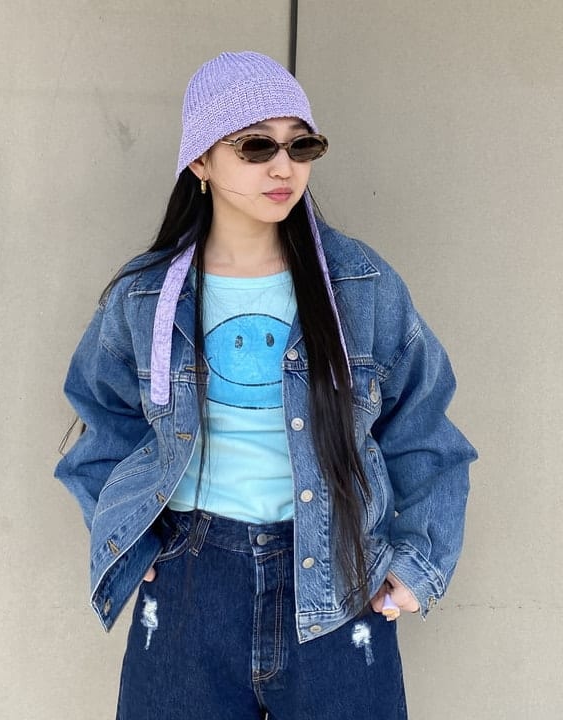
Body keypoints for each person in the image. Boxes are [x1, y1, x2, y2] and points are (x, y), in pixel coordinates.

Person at [55, 51, 477, 720]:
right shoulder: (145, 295)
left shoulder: (360, 284)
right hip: (191, 581)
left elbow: (424, 428)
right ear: (200, 161)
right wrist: (129, 540)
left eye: (300, 146)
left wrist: (416, 566)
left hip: (339, 580)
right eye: (256, 147)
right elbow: (100, 418)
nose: (284, 168)